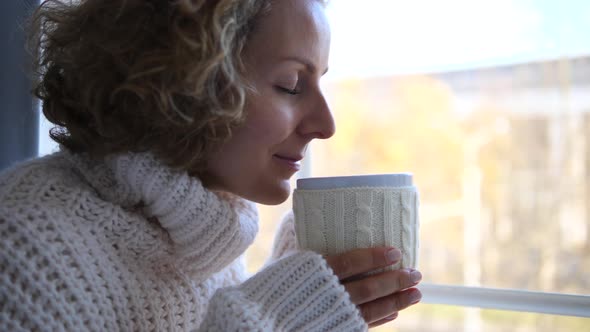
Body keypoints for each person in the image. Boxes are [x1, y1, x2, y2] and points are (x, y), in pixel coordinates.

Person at [0, 0, 423, 330]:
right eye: (291, 85)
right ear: (185, 82)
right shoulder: (21, 248)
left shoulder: (205, 244)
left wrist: (288, 301)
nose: (326, 125)